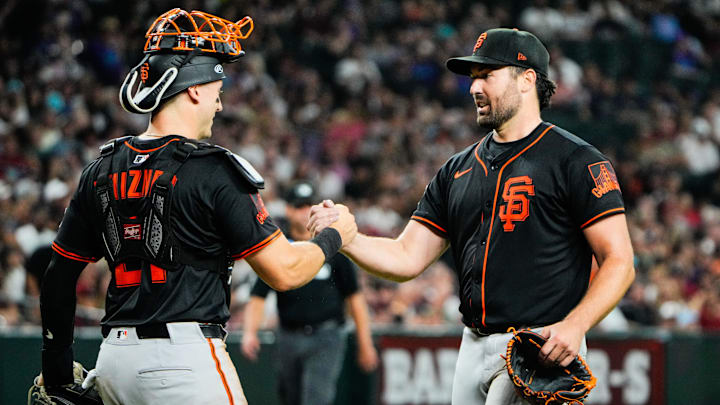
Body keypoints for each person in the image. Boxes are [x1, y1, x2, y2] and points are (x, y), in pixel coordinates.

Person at [38, 8, 356, 405]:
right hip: (185, 360)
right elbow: (285, 272)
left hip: (113, 362)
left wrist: (56, 368)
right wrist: (334, 237)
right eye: (217, 92)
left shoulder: (100, 167)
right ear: (194, 89)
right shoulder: (213, 169)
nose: (220, 106)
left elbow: (58, 275)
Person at [308, 28, 635, 405]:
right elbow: (406, 258)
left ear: (527, 79)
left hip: (539, 346)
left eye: (487, 75)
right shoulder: (456, 170)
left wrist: (576, 325)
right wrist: (348, 238)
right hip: (472, 345)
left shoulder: (575, 160)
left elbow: (620, 260)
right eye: (473, 77)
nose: (474, 88)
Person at [241, 180, 378, 405]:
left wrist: (365, 342)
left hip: (327, 336)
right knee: (291, 399)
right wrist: (249, 332)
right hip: (288, 336)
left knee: (316, 399)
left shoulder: (334, 244)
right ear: (288, 209)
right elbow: (258, 295)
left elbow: (355, 297)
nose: (304, 211)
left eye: (308, 205)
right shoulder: (279, 246)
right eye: (298, 206)